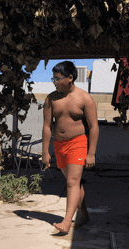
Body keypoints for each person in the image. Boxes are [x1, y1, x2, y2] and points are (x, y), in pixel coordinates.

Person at [42, 61, 99, 234]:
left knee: (72, 182)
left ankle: (67, 222)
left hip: (78, 143)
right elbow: (46, 126)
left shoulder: (85, 98)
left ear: (70, 78)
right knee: (74, 183)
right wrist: (45, 151)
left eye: (58, 79)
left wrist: (92, 153)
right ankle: (84, 214)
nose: (54, 82)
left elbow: (94, 127)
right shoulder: (51, 99)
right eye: (53, 79)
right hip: (59, 145)